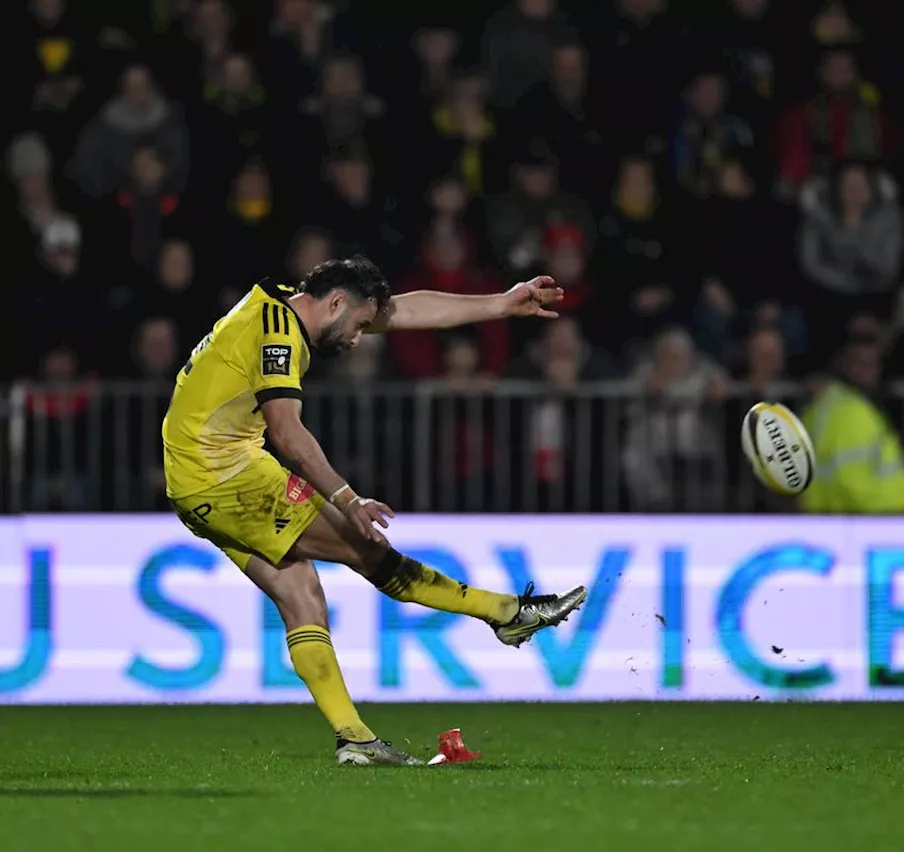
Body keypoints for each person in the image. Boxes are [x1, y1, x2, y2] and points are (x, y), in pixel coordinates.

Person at [162, 256, 587, 765]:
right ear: (336, 303)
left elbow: (404, 313)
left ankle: (355, 739)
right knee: (369, 550)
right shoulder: (278, 335)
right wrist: (348, 498)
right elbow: (287, 431)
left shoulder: (285, 303)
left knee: (302, 599)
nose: (362, 337)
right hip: (224, 474)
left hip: (194, 481)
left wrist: (499, 303)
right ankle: (506, 613)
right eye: (361, 325)